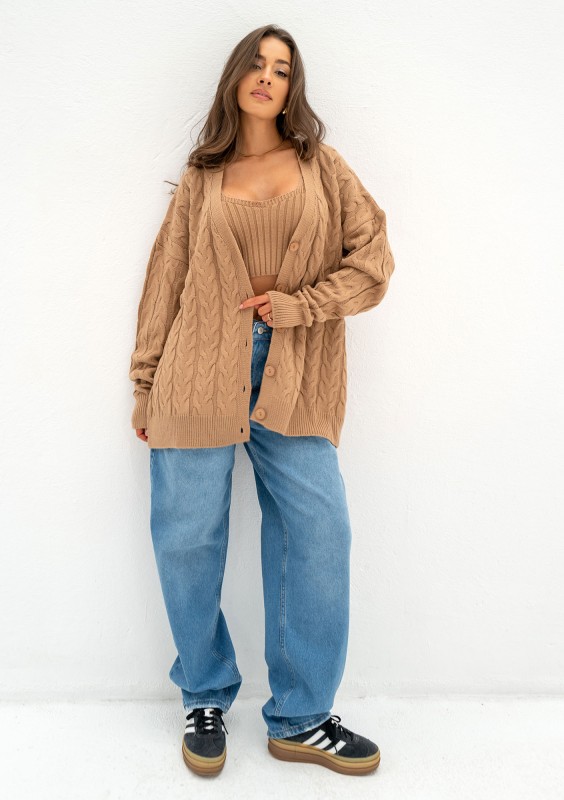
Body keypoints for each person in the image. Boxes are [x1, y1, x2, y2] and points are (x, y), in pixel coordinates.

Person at [129, 24, 395, 778]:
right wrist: (145, 382)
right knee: (187, 538)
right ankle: (204, 695)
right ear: (236, 77)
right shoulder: (203, 175)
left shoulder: (322, 166)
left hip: (296, 372)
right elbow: (167, 278)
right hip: (195, 370)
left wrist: (300, 306)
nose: (267, 75)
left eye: (282, 67)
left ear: (291, 87)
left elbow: (374, 262)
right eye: (256, 62)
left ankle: (303, 717)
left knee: (319, 531)